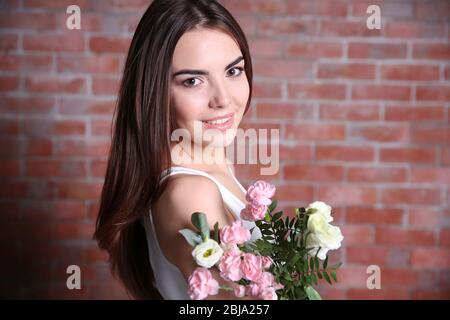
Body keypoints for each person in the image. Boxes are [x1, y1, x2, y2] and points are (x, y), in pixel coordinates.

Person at [94, 0, 261, 300]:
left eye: (233, 71)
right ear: (155, 91)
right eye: (193, 81)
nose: (223, 99)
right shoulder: (191, 193)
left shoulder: (210, 162)